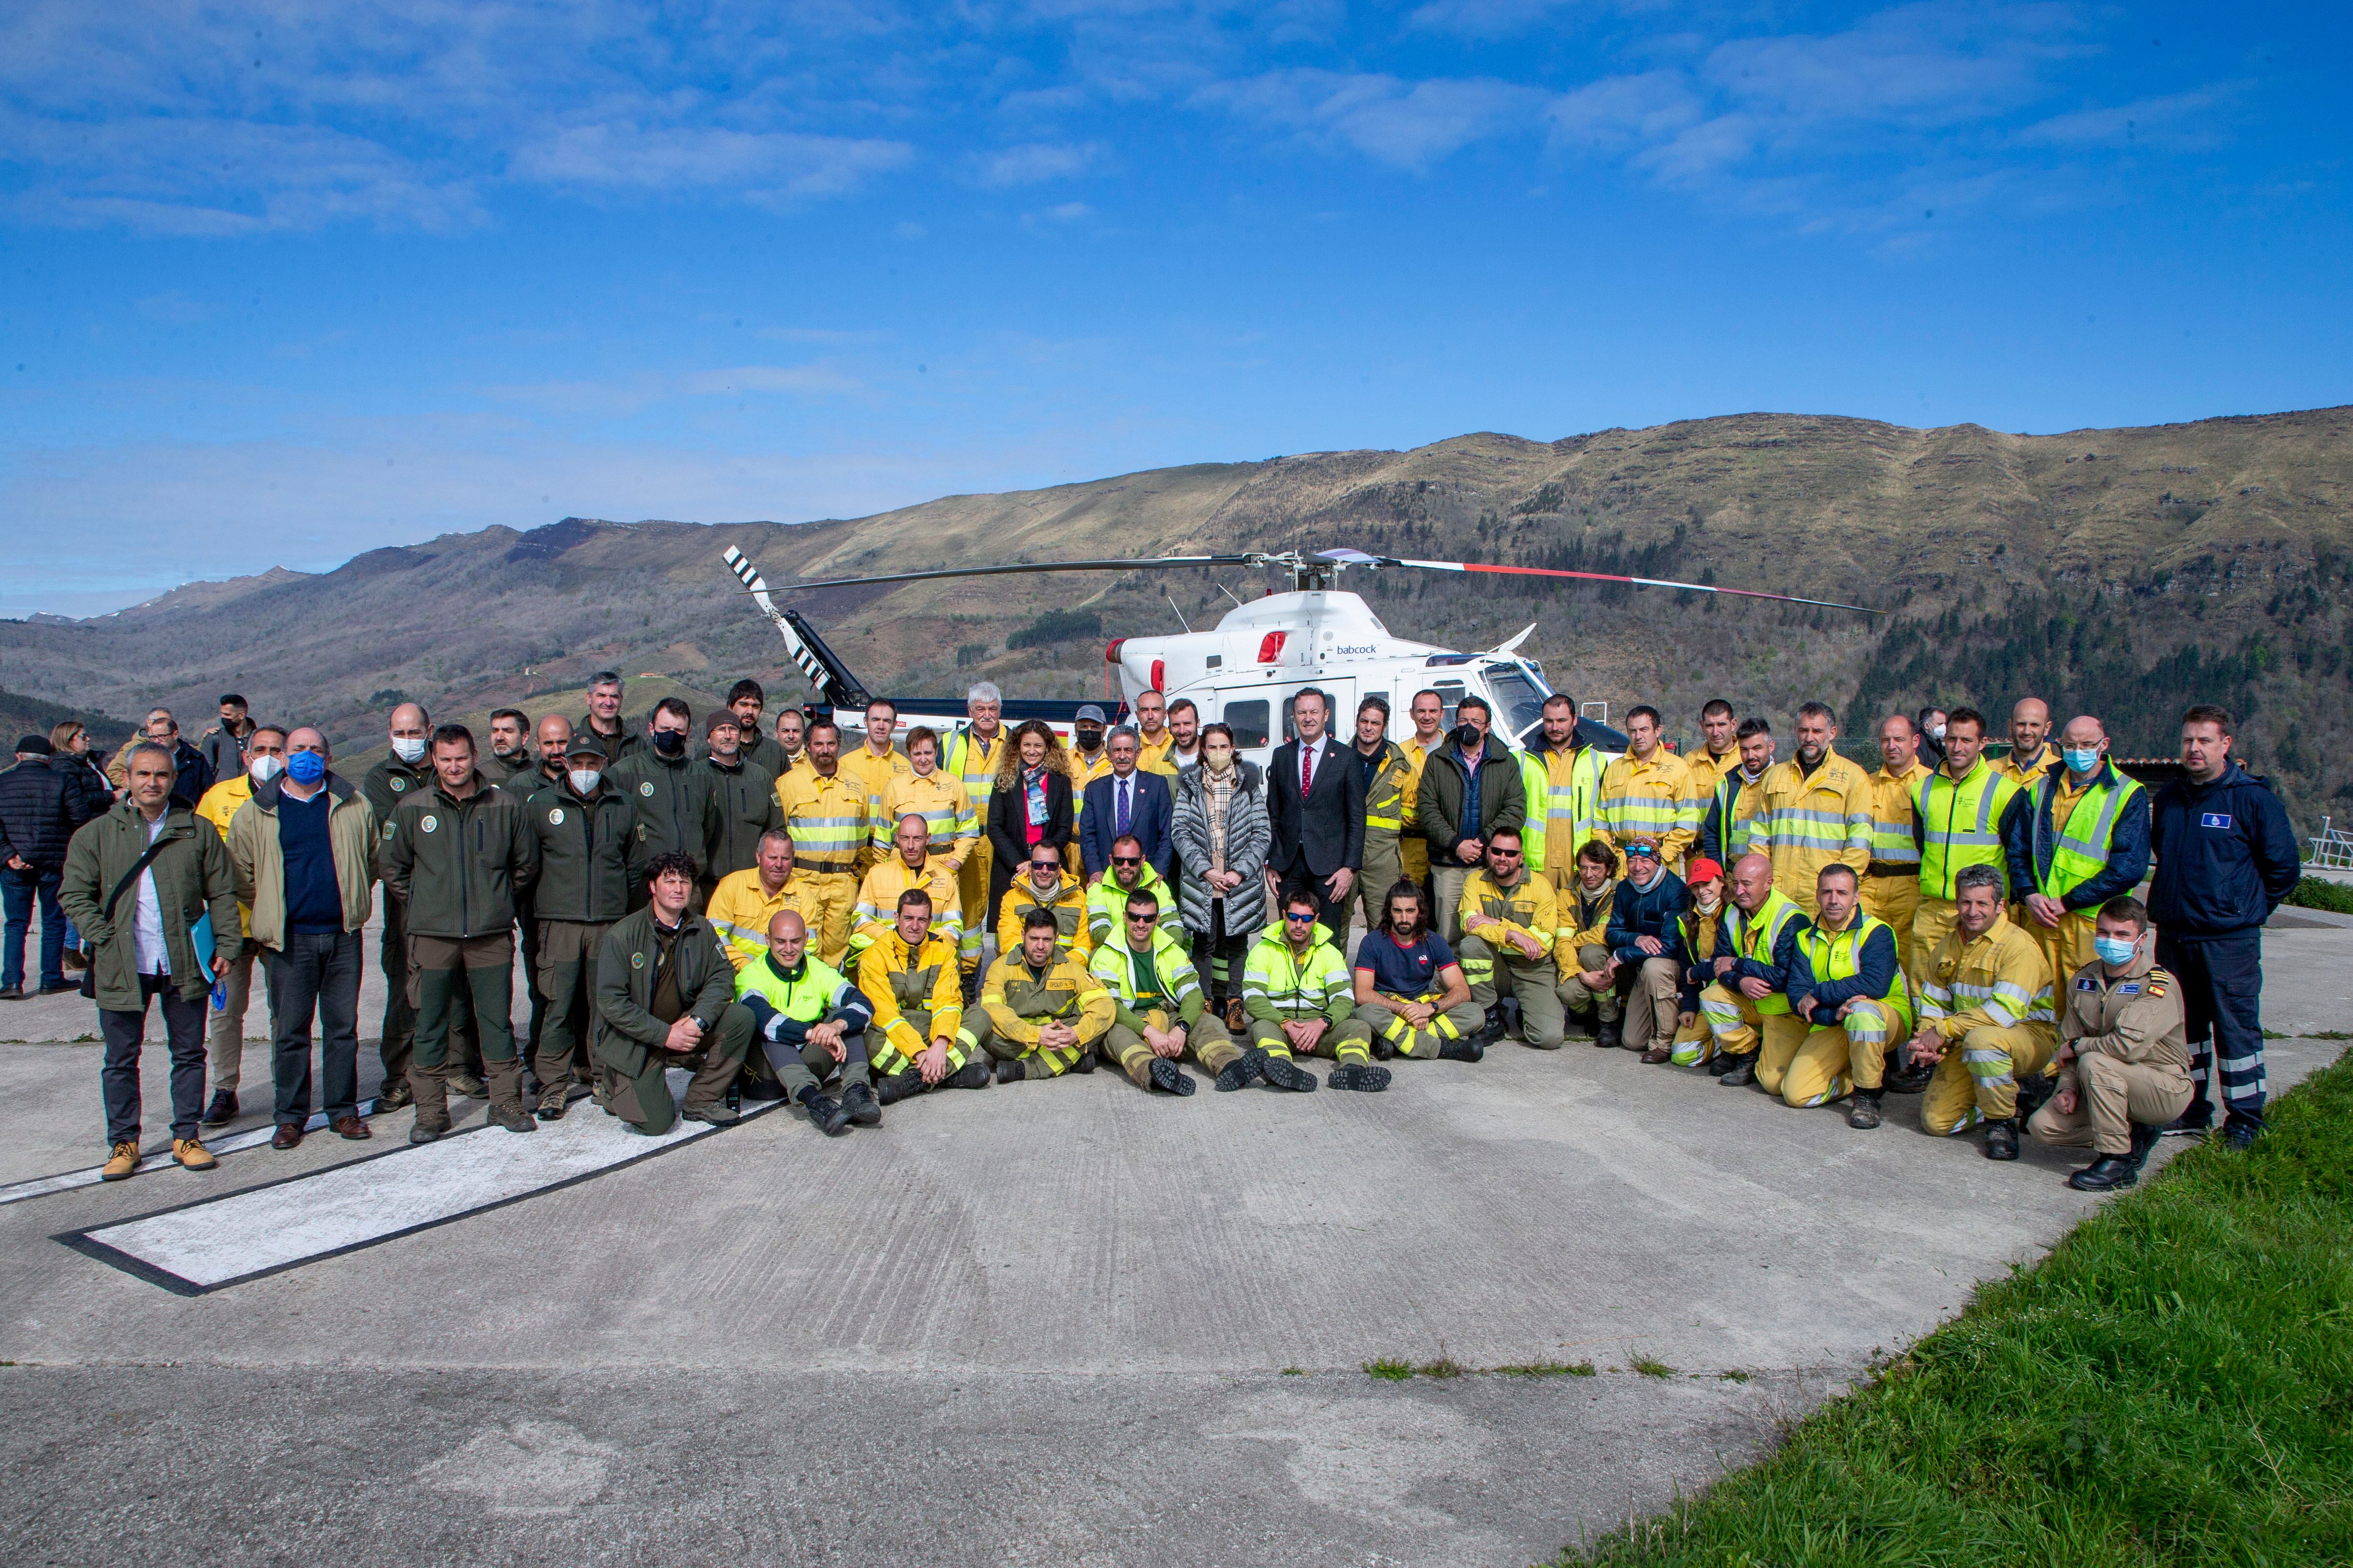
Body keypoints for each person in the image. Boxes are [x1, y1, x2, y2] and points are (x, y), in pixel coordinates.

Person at [60, 742, 239, 1179]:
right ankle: (124, 1142)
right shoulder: (97, 834)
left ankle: (187, 1135)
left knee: (189, 1052)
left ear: (173, 780)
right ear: (127, 779)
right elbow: (73, 893)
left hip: (182, 961)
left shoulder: (196, 831)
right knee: (121, 1058)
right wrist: (101, 937)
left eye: (161, 775)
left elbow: (221, 893)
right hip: (123, 963)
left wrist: (227, 948)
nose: (152, 783)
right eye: (143, 774)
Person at [2145, 703, 2299, 1147]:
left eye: (2205, 740)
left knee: (2235, 1030)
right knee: (2182, 1031)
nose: (2194, 749)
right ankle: (2190, 1110)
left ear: (2225, 745)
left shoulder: (2251, 799)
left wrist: (2245, 909)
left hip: (2228, 941)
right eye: (2188, 741)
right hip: (2174, 936)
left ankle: (2245, 1120)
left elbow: (2283, 869)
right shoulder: (2171, 799)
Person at [381, 722, 541, 1141]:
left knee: (496, 1022)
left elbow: (524, 865)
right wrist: (423, 905)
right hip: (432, 937)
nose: (455, 767)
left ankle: (505, 1102)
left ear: (475, 757)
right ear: (434, 760)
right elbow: (392, 867)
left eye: (462, 758)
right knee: (430, 1023)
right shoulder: (413, 808)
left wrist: (498, 900)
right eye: (446, 759)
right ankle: (431, 1111)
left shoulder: (505, 806)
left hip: (489, 936)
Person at [223, 727, 376, 1147]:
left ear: (328, 758)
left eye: (315, 750)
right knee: (290, 1031)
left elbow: (372, 859)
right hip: (289, 941)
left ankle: (343, 1111)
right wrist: (273, 906)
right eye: (298, 749)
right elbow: (240, 874)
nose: (306, 756)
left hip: (343, 935)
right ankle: (290, 1116)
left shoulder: (353, 804)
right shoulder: (257, 812)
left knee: (342, 1028)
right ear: (285, 757)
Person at [2026, 897, 2188, 1189]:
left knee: (2094, 1060)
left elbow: (2127, 1048)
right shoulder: (2083, 980)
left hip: (2162, 1087)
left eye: (2122, 935)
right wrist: (2068, 1088)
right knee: (2042, 1127)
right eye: (2104, 933)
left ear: (2142, 939)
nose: (2111, 941)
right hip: (2103, 1081)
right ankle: (2132, 1130)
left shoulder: (2156, 985)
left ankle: (2118, 1161)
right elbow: (2068, 1043)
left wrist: (2079, 1048)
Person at [592, 852, 754, 1135]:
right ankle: (612, 1085)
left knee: (740, 1018)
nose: (679, 888)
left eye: (685, 881)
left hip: (682, 1024)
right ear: (653, 887)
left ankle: (701, 1099)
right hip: (636, 1039)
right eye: (669, 881)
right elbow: (612, 1003)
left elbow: (723, 975)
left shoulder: (701, 928)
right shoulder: (622, 936)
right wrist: (664, 1035)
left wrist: (698, 1021)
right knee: (656, 1124)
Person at [521, 734, 640, 1119]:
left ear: (603, 764)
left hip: (608, 923)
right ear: (566, 764)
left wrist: (624, 911)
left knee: (604, 1007)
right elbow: (527, 865)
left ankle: (603, 1076)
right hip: (560, 922)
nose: (585, 771)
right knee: (557, 1006)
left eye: (592, 763)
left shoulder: (623, 805)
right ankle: (552, 1086)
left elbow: (634, 865)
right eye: (578, 763)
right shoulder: (541, 806)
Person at [363, 701, 474, 1109]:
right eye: (400, 733)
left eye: (415, 733)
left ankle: (459, 1067)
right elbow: (391, 843)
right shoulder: (380, 778)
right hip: (407, 904)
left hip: (459, 902)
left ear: (429, 730)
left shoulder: (446, 767)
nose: (408, 741)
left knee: (457, 988)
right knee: (405, 989)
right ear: (389, 734)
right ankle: (400, 1075)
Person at [1905, 864, 2057, 1159]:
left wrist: (1943, 1032)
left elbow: (2003, 1013)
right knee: (1937, 1123)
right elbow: (1934, 1002)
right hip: (1969, 1040)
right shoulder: (1948, 944)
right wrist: (1927, 1038)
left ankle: (2001, 1122)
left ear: (2000, 906)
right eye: (1965, 902)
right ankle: (1998, 1094)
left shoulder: (2019, 946)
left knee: (1983, 1042)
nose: (1972, 911)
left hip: (2026, 1038)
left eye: (1982, 903)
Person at [2011, 715, 2150, 988]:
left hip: (2091, 922)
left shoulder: (2127, 793)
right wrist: (2029, 893)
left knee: (2084, 1002)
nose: (2078, 752)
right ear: (2060, 745)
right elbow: (2019, 850)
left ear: (2104, 744)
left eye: (2087, 745)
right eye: (2071, 745)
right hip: (2041, 917)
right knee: (2036, 1000)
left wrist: (2069, 901)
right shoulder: (2040, 788)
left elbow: (2129, 868)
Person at [192, 724, 288, 1123]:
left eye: (277, 749)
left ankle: (287, 1085)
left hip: (282, 923)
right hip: (231, 925)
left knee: (285, 1011)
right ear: (246, 756)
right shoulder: (218, 798)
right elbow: (196, 854)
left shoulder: (298, 796)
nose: (268, 756)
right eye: (260, 749)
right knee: (226, 1011)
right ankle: (224, 1089)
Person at [1776, 864, 1909, 1126]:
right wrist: (1832, 1014)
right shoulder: (1805, 938)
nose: (1834, 900)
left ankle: (1867, 1096)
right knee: (1795, 1094)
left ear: (1856, 897)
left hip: (1885, 1019)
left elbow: (1876, 984)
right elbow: (1797, 996)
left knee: (1863, 1013)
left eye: (1842, 893)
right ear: (1817, 895)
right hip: (1835, 1022)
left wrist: (1819, 993)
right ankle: (1861, 1072)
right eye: (1827, 892)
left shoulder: (1877, 932)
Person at [1909, 706, 2031, 993]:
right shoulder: (1922, 789)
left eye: (1966, 741)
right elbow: (1922, 844)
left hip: (1983, 910)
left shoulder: (2006, 792)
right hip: (1934, 907)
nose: (1957, 747)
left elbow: (2018, 854)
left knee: (1979, 987)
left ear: (1982, 744)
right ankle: (1923, 1036)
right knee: (1924, 986)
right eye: (1951, 739)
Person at [733, 906, 875, 1134]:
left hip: (809, 1064)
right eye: (781, 942)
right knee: (774, 1033)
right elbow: (764, 1018)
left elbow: (863, 1003)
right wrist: (812, 1033)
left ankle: (856, 1093)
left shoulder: (817, 969)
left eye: (796, 941)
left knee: (846, 1019)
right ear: (768, 940)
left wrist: (837, 1026)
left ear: (806, 939)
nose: (789, 949)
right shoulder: (752, 974)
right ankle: (817, 1105)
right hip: (764, 1076)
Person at [1090, 886, 1243, 1096]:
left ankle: (1230, 1066)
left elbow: (1193, 995)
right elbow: (1111, 1007)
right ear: (1125, 917)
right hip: (1131, 1023)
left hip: (1168, 1019)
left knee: (1209, 1022)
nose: (1141, 924)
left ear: (1158, 919)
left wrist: (1182, 1028)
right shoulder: (1105, 955)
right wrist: (1149, 1032)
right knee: (1113, 1032)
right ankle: (1154, 1073)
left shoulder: (1172, 950)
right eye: (1135, 917)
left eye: (1148, 918)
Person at [1170, 723, 1270, 1030]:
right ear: (1203, 750)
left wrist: (1240, 871)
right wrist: (1206, 869)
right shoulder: (1190, 785)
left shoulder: (1250, 783)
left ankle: (1235, 1003)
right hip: (1204, 881)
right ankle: (1205, 1002)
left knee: (1237, 942)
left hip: (1239, 880)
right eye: (1211, 747)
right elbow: (1180, 831)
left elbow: (1262, 833)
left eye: (1223, 747)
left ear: (1233, 748)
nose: (1217, 753)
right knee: (1205, 943)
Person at [858, 887, 993, 1103]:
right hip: (895, 1034)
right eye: (908, 918)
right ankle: (945, 1075)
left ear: (930, 922)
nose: (914, 926)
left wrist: (940, 1044)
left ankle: (913, 1080)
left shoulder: (944, 951)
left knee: (981, 1017)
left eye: (922, 920)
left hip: (933, 1029)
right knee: (861, 1035)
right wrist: (920, 1053)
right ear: (896, 918)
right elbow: (886, 1015)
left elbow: (948, 1003)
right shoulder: (875, 955)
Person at [1241, 891, 1381, 1091]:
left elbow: (1344, 999)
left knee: (1359, 1027)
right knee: (1261, 1027)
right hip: (1281, 1025)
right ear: (1284, 915)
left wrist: (1321, 1023)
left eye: (1306, 919)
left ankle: (1353, 1072)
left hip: (1320, 1028)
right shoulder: (1263, 950)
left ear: (1315, 919)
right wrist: (1286, 1023)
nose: (1299, 925)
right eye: (1293, 917)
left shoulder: (1330, 953)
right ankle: (1282, 1070)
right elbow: (1254, 999)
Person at [1694, 853, 1811, 1090]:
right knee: (1711, 996)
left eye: (1747, 884)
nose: (1738, 891)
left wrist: (1739, 967)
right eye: (1735, 883)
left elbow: (1785, 978)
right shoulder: (1732, 912)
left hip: (1783, 1011)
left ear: (1769, 883)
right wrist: (1740, 981)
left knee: (1773, 1084)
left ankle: (1763, 1050)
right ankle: (1745, 1052)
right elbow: (1719, 965)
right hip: (1750, 1000)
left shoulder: (1791, 918)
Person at [1417, 694, 1525, 942]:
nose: (1469, 726)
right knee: (1448, 933)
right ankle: (1447, 982)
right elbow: (1428, 809)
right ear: (1455, 723)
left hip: (1488, 863)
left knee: (1486, 932)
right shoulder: (1437, 760)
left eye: (1476, 721)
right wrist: (1456, 844)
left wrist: (1483, 841)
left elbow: (1515, 808)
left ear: (1487, 727)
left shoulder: (1505, 761)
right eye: (1464, 720)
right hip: (1448, 864)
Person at [1, 733, 101, 999]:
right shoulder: (62, 781)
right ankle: (51, 978)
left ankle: (11, 982)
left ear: (18, 757)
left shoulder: (3, 783)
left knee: (16, 924)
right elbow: (80, 820)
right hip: (55, 863)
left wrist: (9, 855)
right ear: (49, 759)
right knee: (54, 922)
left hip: (15, 865)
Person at [1749, 701, 1872, 916]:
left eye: (1817, 731)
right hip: (1779, 893)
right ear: (1795, 731)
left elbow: (1859, 841)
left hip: (1824, 895)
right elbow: (1759, 836)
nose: (1809, 737)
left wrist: (1839, 889)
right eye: (1804, 730)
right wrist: (1762, 883)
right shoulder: (1776, 776)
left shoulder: (1853, 777)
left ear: (1832, 733)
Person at [1267, 688, 1363, 946]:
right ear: (1294, 717)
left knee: (1326, 937)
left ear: (1326, 715)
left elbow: (1357, 818)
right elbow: (1273, 813)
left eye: (1314, 712)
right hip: (1288, 865)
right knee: (1289, 934)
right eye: (1302, 712)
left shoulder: (1346, 758)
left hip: (1330, 867)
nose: (1308, 718)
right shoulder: (1281, 756)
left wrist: (1349, 868)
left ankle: (1324, 986)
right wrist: (1271, 861)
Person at [973, 908, 1114, 1084]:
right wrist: (1036, 1035)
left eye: (1047, 939)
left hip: (1059, 1038)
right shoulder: (1000, 966)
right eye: (1034, 938)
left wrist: (1076, 1034)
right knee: (989, 1033)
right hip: (1018, 1040)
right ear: (1023, 935)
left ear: (1056, 938)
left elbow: (1103, 1004)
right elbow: (993, 1009)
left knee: (1099, 1025)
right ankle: (1070, 1061)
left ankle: (1024, 1069)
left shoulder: (1072, 968)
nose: (1040, 946)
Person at [1456, 825, 1564, 1049]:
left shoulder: (1541, 886)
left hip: (1532, 968)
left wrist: (1496, 923)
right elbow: (1469, 926)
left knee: (1549, 1038)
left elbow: (1541, 944)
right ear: (1488, 853)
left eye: (1511, 854)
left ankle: (1529, 1009)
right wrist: (1511, 933)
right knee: (1471, 946)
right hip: (1497, 966)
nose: (1502, 858)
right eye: (1497, 851)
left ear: (1521, 857)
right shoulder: (1475, 882)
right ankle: (1491, 1015)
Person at [772, 717, 869, 968]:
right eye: (818, 744)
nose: (825, 750)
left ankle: (834, 1001)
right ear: (808, 746)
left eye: (831, 744)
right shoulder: (787, 784)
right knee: (805, 943)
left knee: (840, 947)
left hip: (843, 881)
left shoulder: (857, 785)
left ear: (839, 745)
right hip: (803, 878)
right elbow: (778, 835)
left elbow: (862, 836)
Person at [1352, 881, 1484, 1060]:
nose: (1404, 918)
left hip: (1424, 1006)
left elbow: (1462, 991)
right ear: (1389, 912)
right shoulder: (1372, 942)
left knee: (1475, 1013)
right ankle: (1445, 1049)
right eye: (1397, 911)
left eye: (1410, 911)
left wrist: (1430, 1008)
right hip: (1389, 1008)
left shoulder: (1434, 941)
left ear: (1420, 912)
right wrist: (1406, 1010)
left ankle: (1398, 1044)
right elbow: (1362, 994)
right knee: (1365, 1013)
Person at [608, 698, 718, 907]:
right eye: (665, 728)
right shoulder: (625, 773)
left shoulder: (701, 776)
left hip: (688, 887)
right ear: (651, 728)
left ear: (688, 733)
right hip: (644, 888)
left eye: (678, 730)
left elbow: (708, 827)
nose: (671, 735)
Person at [943, 683, 1009, 983]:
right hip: (965, 839)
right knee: (969, 912)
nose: (987, 715)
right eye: (980, 709)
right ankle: (969, 978)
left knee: (1003, 909)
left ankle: (1006, 974)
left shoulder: (1014, 742)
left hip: (1002, 840)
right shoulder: (951, 743)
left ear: (1000, 711)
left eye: (992, 709)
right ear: (969, 711)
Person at [1602, 839, 1688, 1063]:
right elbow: (1613, 933)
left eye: (1645, 860)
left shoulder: (1675, 890)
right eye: (1632, 861)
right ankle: (1670, 1014)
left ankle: (1664, 1042)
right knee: (1632, 1041)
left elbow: (1669, 946)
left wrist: (1622, 955)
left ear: (1658, 862)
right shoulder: (1624, 888)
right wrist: (1637, 939)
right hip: (1642, 964)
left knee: (1654, 967)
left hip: (1672, 965)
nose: (1638, 867)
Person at [985, 720, 1075, 928]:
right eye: (1027, 745)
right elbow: (995, 827)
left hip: (1048, 865)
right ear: (1018, 746)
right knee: (1010, 926)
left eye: (1038, 746)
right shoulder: (1005, 779)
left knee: (1048, 925)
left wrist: (1040, 859)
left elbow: (1064, 828)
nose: (1032, 751)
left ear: (1047, 748)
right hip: (1011, 865)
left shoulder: (1060, 781)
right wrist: (1020, 863)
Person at [1863, 714, 1933, 979]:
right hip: (1871, 884)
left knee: (1915, 965)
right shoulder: (1865, 783)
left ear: (1916, 741)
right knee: (1866, 960)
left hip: (1913, 885)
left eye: (1899, 739)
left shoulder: (1931, 784)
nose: (1891, 746)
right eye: (1885, 740)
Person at [1518, 693, 1605, 890]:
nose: (1555, 727)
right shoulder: (1522, 759)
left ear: (1575, 720)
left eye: (1562, 720)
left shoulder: (1596, 760)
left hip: (1580, 862)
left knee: (1575, 918)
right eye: (1549, 721)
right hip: (1535, 860)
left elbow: (1602, 812)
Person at [708, 829, 826, 971]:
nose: (779, 864)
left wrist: (775, 975)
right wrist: (747, 968)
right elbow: (715, 935)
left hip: (782, 978)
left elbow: (810, 946)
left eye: (785, 858)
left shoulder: (804, 895)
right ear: (758, 857)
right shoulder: (732, 884)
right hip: (733, 973)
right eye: (772, 857)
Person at [1601, 705, 1701, 871]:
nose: (1638, 736)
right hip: (1622, 860)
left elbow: (1689, 821)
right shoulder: (1615, 768)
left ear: (1658, 730)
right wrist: (1611, 854)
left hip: (1661, 861)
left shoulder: (1678, 768)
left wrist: (1664, 855)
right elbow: (1600, 819)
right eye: (1633, 731)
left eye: (1644, 730)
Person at [1352, 696, 1417, 939]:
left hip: (1382, 856)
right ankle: (1333, 977)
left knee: (1383, 923)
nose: (1369, 727)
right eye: (1364, 721)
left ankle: (1380, 976)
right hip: (1342, 853)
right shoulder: (1337, 758)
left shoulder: (1401, 765)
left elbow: (1412, 809)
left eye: (1375, 723)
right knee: (1334, 923)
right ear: (1357, 722)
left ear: (1385, 726)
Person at [856, 812, 964, 960]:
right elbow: (861, 920)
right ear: (897, 838)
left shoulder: (945, 877)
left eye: (917, 838)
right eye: (905, 838)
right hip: (886, 958)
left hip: (932, 960)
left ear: (928, 839)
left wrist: (925, 943)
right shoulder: (877, 874)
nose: (911, 846)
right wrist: (895, 940)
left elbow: (954, 927)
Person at [879, 725, 977, 889]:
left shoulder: (954, 784)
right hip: (902, 867)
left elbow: (969, 830)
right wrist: (885, 869)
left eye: (928, 753)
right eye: (917, 754)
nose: (923, 759)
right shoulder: (894, 787)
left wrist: (956, 862)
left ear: (936, 751)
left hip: (943, 866)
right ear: (909, 754)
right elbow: (882, 836)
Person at [701, 708, 784, 890]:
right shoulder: (696, 775)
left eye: (733, 730)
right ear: (709, 738)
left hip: (752, 883)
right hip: (707, 883)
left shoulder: (760, 776)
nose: (728, 735)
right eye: (721, 730)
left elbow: (777, 829)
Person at [1552, 836, 1623, 1047]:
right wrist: (1578, 973)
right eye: (1583, 868)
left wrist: (1574, 941)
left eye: (1596, 868)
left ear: (1609, 869)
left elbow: (1603, 934)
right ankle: (1589, 1012)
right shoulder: (1566, 895)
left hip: (1615, 964)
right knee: (1568, 992)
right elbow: (1561, 941)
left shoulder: (1619, 892)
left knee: (1592, 952)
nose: (1588, 874)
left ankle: (1609, 1020)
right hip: (1581, 964)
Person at [1080, 726, 1175, 881]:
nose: (1122, 756)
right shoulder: (1094, 790)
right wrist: (1095, 871)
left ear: (1138, 753)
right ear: (1109, 755)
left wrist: (1159, 871)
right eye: (1117, 750)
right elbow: (1088, 837)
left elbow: (1166, 834)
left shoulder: (1157, 785)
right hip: (1106, 877)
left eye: (1128, 750)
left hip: (1147, 877)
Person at [1667, 858, 1728, 1067]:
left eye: (1707, 883)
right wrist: (1690, 1007)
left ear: (1722, 882)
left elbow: (1726, 965)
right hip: (1705, 999)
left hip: (1732, 996)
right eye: (1696, 886)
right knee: (1682, 1055)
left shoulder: (1735, 914)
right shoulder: (1688, 920)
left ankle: (1746, 1045)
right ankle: (1720, 1044)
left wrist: (1698, 972)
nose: (1701, 891)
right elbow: (1687, 970)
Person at [840, 698, 912, 873]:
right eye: (875, 720)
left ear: (894, 725)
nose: (881, 726)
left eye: (887, 721)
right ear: (866, 722)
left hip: (892, 853)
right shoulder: (845, 764)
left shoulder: (906, 767)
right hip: (855, 854)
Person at [1695, 717, 1773, 870]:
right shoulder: (1728, 783)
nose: (1751, 756)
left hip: (1766, 876)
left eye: (1757, 748)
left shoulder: (1780, 782)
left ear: (1771, 746)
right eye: (1744, 750)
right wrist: (1719, 872)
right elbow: (1712, 833)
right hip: (1731, 873)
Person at [1086, 832, 1185, 950]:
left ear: (1142, 861)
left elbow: (1174, 928)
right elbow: (1100, 933)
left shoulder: (1159, 887)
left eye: (1132, 861)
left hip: (1155, 953)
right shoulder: (1098, 889)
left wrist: (1148, 951)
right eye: (1119, 861)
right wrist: (1138, 947)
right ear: (1111, 860)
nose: (1126, 866)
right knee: (1098, 954)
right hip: (1117, 954)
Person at [996, 841, 1090, 960]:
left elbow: (1084, 947)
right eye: (1038, 865)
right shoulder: (1012, 898)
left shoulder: (1079, 898)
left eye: (1051, 866)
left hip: (1067, 972)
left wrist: (1058, 969)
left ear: (1059, 870)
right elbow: (1009, 942)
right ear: (1030, 869)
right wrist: (1035, 967)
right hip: (1024, 970)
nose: (1045, 871)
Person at [1397, 688, 1447, 903]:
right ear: (1412, 714)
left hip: (1448, 846)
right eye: (1422, 711)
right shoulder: (1399, 754)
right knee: (1412, 911)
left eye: (1433, 711)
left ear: (1442, 714)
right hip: (1410, 847)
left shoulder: (1455, 751)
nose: (1427, 717)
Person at [112, 708, 212, 808]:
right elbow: (114, 771)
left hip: (188, 814)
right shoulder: (140, 754)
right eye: (153, 738)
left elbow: (208, 790)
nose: (157, 741)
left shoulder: (195, 758)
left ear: (175, 735)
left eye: (162, 737)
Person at [715, 680, 787, 781]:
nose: (750, 712)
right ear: (730, 707)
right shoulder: (713, 750)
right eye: (744, 705)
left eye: (755, 706)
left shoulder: (776, 752)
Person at [574, 672, 638, 764]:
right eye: (601, 696)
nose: (608, 703)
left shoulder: (636, 744)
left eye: (614, 696)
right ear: (589, 698)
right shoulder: (575, 742)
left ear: (621, 700)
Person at [196, 694, 259, 788]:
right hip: (222, 795)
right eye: (222, 713)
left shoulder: (258, 738)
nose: (223, 717)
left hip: (251, 794)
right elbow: (205, 773)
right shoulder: (215, 738)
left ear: (241, 715)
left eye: (227, 715)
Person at [1684, 700, 1742, 801]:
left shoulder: (1746, 759)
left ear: (1733, 725)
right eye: (1710, 726)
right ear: (1702, 726)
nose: (1715, 732)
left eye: (1721, 725)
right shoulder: (1690, 761)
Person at [1997, 698, 2058, 788]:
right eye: (2021, 724)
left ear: (2047, 728)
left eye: (2034, 725)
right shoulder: (1989, 770)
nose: (2027, 732)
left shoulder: (2061, 772)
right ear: (2011, 726)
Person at [1132, 689, 1181, 777]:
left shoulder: (1179, 746)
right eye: (1145, 710)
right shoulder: (1130, 750)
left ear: (1165, 714)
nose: (1150, 716)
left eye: (1156, 710)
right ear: (1137, 715)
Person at [483, 708, 536, 786]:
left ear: (525, 737)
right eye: (495, 731)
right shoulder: (479, 777)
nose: (499, 738)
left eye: (508, 731)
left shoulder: (540, 775)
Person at [1066, 703, 1112, 788]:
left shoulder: (1115, 760)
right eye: (1084, 727)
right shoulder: (1063, 760)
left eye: (1095, 727)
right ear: (1076, 729)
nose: (1089, 732)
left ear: (1105, 730)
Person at [1163, 698, 1203, 772]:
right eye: (1176, 725)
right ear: (1170, 727)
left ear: (1198, 723)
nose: (1182, 731)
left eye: (1187, 724)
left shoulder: (1212, 760)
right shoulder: (1159, 765)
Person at [1915, 707, 1950, 772]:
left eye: (1944, 724)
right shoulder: (1918, 746)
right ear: (1927, 726)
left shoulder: (1940, 744)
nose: (1944, 728)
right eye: (1940, 724)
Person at [773, 707, 807, 772]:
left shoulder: (815, 761)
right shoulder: (768, 760)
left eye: (796, 731)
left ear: (805, 733)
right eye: (785, 731)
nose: (791, 736)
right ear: (776, 733)